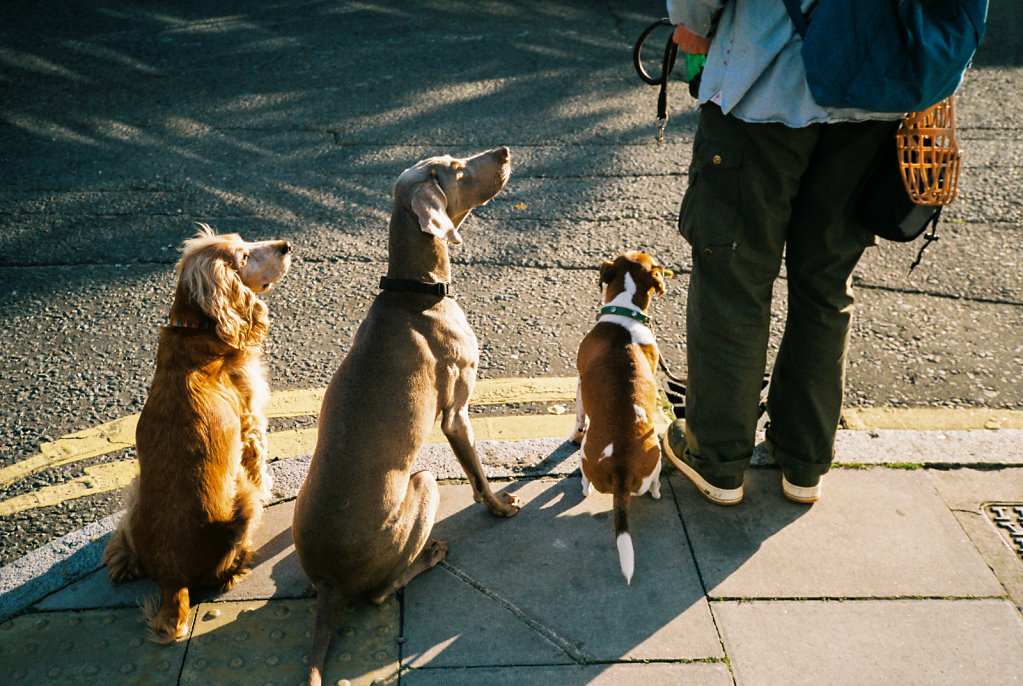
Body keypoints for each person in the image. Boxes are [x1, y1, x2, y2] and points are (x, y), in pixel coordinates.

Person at [660, 0, 903, 505]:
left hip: (763, 85)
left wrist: (694, 23)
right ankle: (804, 460)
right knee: (826, 282)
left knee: (734, 280)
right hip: (872, 96)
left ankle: (718, 459)